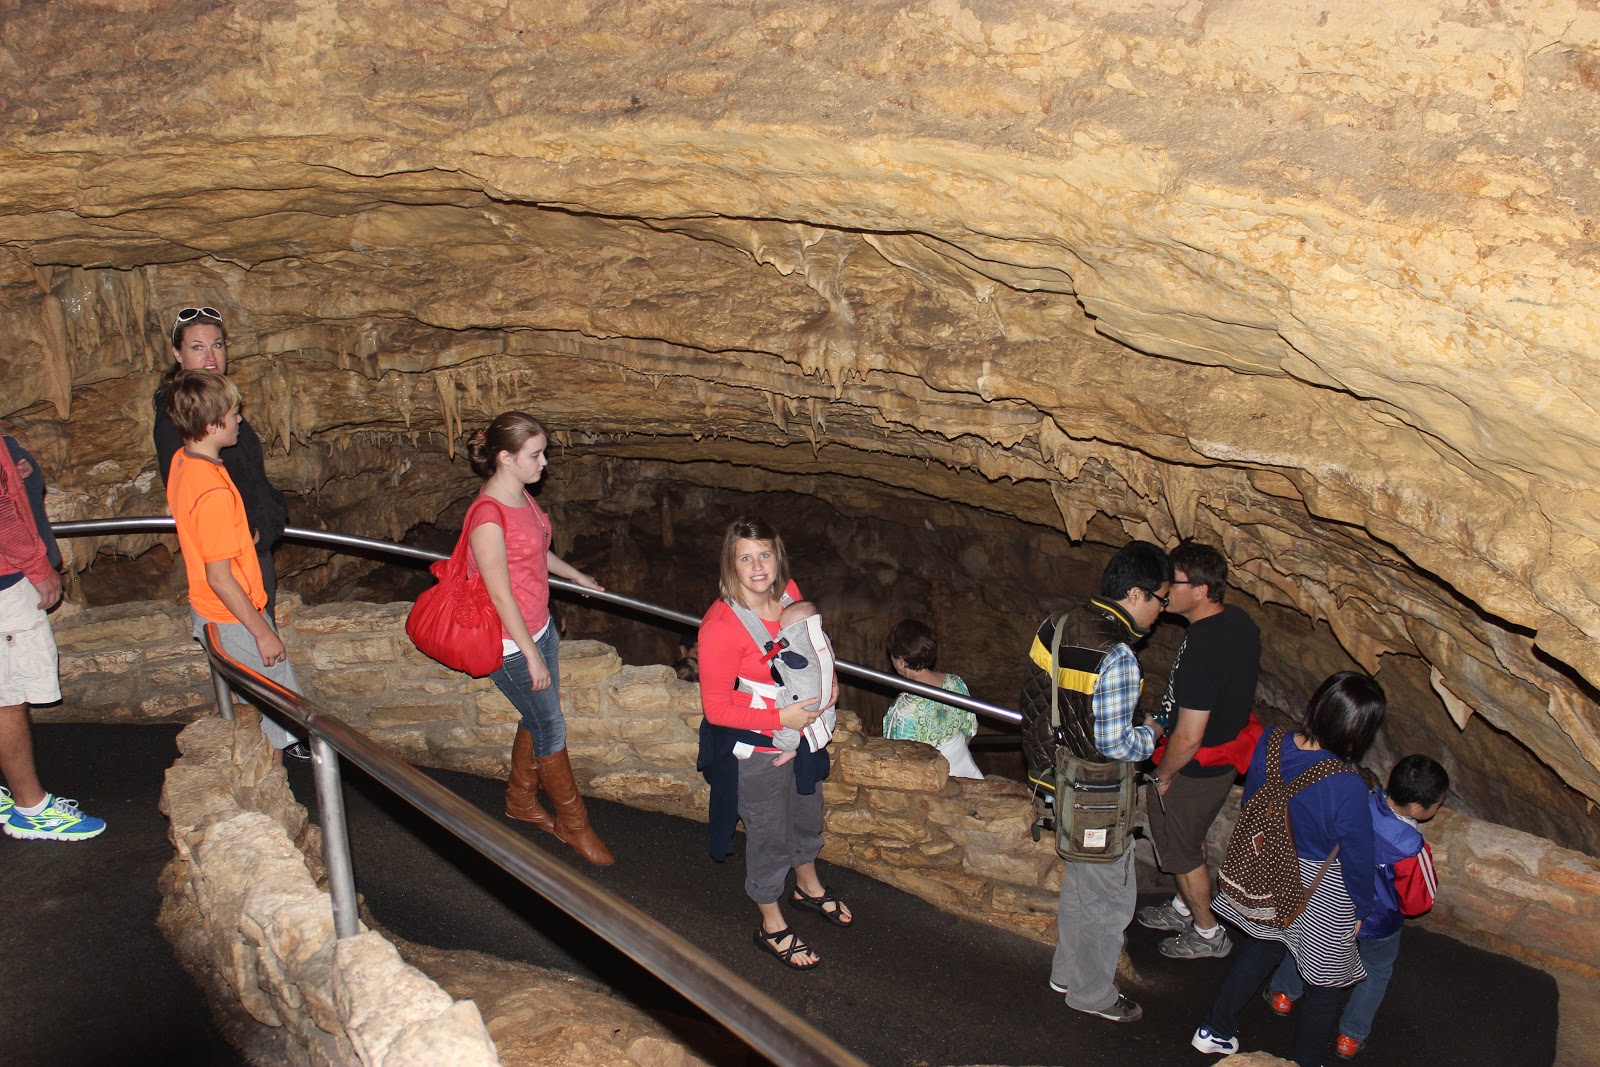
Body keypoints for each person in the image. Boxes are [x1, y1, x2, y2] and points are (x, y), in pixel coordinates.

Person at [1192, 671, 1387, 1067]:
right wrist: (1361, 910)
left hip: (1267, 869)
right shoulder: (1347, 784)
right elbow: (1356, 855)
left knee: (1261, 948)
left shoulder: (1271, 740)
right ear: (1359, 727)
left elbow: (1252, 802)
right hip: (1320, 889)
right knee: (1323, 987)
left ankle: (1214, 1030)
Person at [1021, 541, 1172, 1023]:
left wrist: (1041, 773)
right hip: (1100, 798)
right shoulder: (1120, 656)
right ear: (1134, 593)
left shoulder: (1056, 625)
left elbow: (1033, 702)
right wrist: (1152, 733)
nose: (1162, 611)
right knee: (1110, 899)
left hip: (1058, 781)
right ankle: (1092, 994)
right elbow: (1117, 745)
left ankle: (1066, 972)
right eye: (1160, 599)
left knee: (1080, 885)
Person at [696, 517, 850, 971]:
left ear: (778, 556)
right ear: (731, 564)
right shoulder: (721, 626)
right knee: (768, 833)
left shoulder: (789, 595)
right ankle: (771, 921)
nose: (757, 566)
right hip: (756, 747)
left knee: (806, 812)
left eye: (764, 554)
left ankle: (807, 886)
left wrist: (830, 685)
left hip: (801, 736)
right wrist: (780, 718)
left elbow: (813, 650)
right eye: (745, 557)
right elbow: (717, 710)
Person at [470, 411, 613, 866]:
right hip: (509, 641)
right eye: (535, 455)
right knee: (550, 724)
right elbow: (499, 594)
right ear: (506, 458)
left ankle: (519, 799)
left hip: (540, 626)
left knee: (537, 715)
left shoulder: (522, 498)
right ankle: (574, 824)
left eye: (543, 451)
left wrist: (578, 576)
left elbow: (536, 553)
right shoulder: (487, 516)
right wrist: (530, 656)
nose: (545, 462)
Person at [1264, 754, 1448, 1060]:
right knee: (1375, 971)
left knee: (1309, 947)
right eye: (1438, 804)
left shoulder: (1358, 802)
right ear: (1417, 809)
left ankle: (1282, 994)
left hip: (1333, 904)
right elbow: (1419, 901)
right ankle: (1350, 1036)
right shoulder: (1411, 846)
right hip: (1378, 924)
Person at [165, 370, 307, 763]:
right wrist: (262, 632)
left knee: (252, 712)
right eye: (232, 414)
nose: (239, 420)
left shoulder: (184, 462)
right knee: (277, 719)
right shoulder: (211, 489)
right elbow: (220, 577)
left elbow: (204, 536)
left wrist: (244, 538)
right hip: (236, 619)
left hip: (211, 611)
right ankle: (274, 804)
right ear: (211, 426)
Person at [1138, 540, 1262, 959]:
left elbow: (1189, 736)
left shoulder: (1204, 648)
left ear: (1202, 590)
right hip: (1224, 756)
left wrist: (1164, 776)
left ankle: (1209, 934)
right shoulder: (1238, 622)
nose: (1164, 588)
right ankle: (1182, 907)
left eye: (1173, 581)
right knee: (1190, 837)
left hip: (1197, 764)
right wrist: (1160, 718)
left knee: (1182, 848)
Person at [0, 436, 106, 841]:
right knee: (7, 695)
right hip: (5, 579)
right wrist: (36, 564)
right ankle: (31, 808)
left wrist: (19, 471)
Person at [153, 306, 288, 622]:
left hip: (250, 547)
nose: (210, 357)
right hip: (235, 557)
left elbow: (249, 474)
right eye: (197, 348)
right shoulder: (179, 417)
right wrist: (252, 533)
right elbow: (191, 491)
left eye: (217, 345)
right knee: (252, 649)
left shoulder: (216, 403)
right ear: (177, 353)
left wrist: (273, 508)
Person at [883, 618, 982, 780]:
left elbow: (898, 759)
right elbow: (969, 731)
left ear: (901, 661)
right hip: (965, 770)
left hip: (933, 780)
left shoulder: (904, 709)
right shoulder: (956, 683)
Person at [766, 600, 838, 768]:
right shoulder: (823, 640)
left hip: (805, 699)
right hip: (826, 693)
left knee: (781, 704)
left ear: (796, 629)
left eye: (784, 629)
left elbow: (786, 667)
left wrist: (775, 655)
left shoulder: (792, 650)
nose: (781, 632)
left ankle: (788, 747)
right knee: (827, 707)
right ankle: (828, 729)